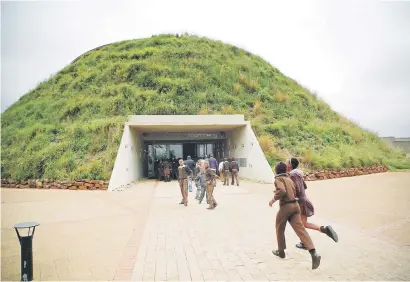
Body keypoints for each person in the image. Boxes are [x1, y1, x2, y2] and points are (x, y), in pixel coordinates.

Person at [269, 161, 321, 270]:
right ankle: (313, 252)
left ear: (277, 170)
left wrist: (274, 199)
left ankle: (281, 251)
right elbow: (293, 191)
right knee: (300, 229)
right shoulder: (289, 178)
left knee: (279, 227)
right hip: (296, 206)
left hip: (286, 206)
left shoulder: (278, 178)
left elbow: (282, 190)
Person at [287, 157, 338, 249]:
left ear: (290, 165)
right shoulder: (298, 174)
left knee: (298, 224)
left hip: (299, 203)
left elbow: (294, 190)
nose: (286, 164)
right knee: (303, 224)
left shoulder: (292, 175)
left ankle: (306, 244)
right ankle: (324, 229)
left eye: (287, 162)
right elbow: (304, 187)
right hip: (304, 201)